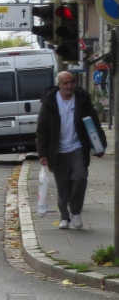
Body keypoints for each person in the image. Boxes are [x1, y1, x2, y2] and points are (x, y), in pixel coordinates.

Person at [36, 70, 106, 230]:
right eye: (65, 83)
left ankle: (75, 211)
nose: (69, 86)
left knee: (80, 178)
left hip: (78, 147)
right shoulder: (49, 103)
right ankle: (64, 217)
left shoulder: (82, 99)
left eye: (71, 82)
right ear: (59, 85)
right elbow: (42, 129)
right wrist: (42, 153)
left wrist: (100, 145)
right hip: (57, 150)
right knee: (62, 185)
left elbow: (94, 122)